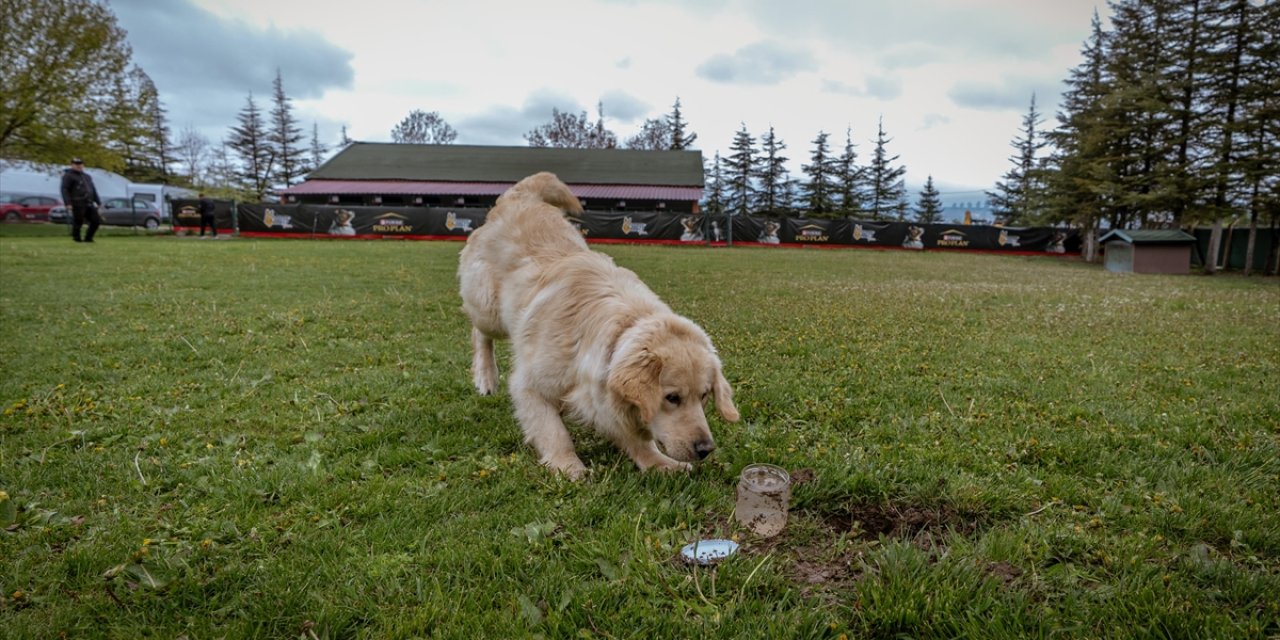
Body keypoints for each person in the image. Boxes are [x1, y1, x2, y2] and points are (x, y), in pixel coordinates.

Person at [59, 158, 102, 243]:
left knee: (95, 221)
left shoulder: (87, 176)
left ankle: (88, 238)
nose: (79, 166)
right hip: (77, 202)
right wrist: (67, 203)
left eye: (80, 164)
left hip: (89, 202)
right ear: (72, 165)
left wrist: (98, 202)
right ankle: (77, 238)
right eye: (76, 164)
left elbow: (93, 189)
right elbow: (65, 190)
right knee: (78, 221)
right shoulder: (68, 176)